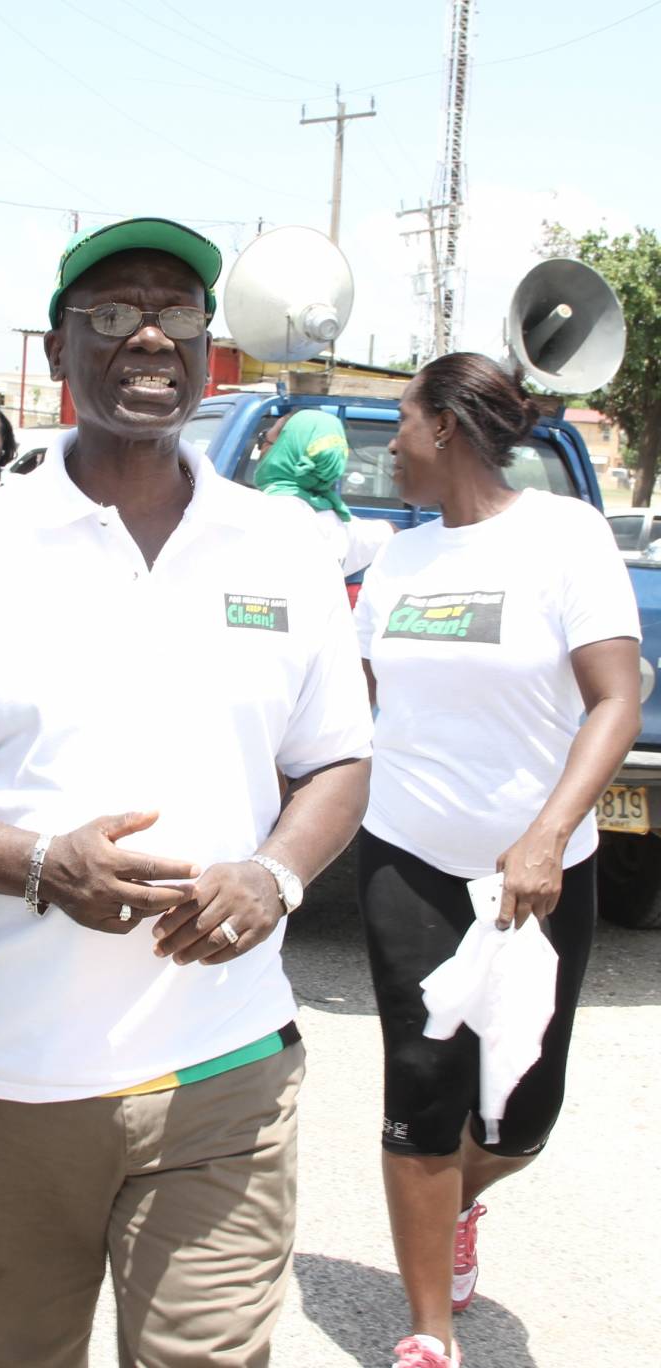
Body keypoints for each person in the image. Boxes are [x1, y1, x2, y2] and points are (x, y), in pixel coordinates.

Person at [0, 216, 374, 1368]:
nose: (149, 338)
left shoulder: (280, 547)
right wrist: (33, 861)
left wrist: (274, 874)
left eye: (177, 314)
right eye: (112, 315)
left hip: (226, 1066)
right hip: (15, 1077)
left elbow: (337, 761)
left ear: (212, 353)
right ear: (62, 351)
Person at [354, 353, 641, 1368]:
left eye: (401, 421)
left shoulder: (561, 536)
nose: (392, 444)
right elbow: (356, 710)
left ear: (448, 426)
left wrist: (546, 836)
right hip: (409, 855)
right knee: (423, 1080)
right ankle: (428, 1329)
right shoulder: (396, 563)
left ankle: (463, 1197)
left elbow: (616, 697)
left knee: (522, 1114)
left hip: (537, 873)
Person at [254, 409, 394, 575]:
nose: (260, 448)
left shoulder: (251, 515)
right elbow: (390, 531)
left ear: (285, 451)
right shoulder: (343, 529)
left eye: (263, 439)